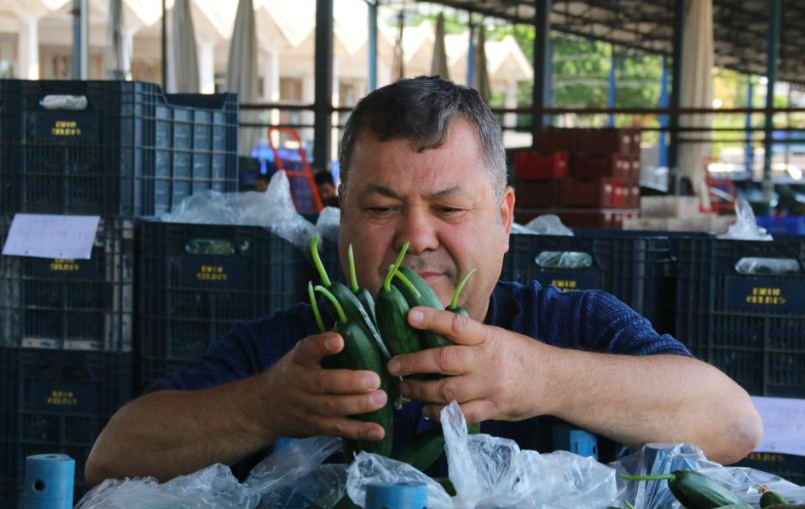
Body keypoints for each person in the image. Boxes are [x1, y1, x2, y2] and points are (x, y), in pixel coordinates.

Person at [86, 76, 762, 485]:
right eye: (381, 209)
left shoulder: (571, 326)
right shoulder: (296, 351)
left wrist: (536, 378)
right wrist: (266, 405)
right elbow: (112, 456)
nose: (416, 239)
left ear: (504, 219)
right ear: (341, 217)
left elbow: (733, 422)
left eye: (449, 209)